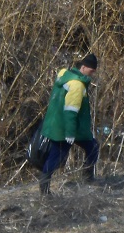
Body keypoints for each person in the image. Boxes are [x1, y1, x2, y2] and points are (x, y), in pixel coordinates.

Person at [38, 53, 100, 196]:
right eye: (91, 71)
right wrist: (70, 133)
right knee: (56, 156)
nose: (92, 75)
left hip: (58, 124)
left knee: (92, 147)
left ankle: (88, 178)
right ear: (83, 68)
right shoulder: (77, 85)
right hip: (67, 127)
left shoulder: (65, 75)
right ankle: (45, 190)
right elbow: (70, 111)